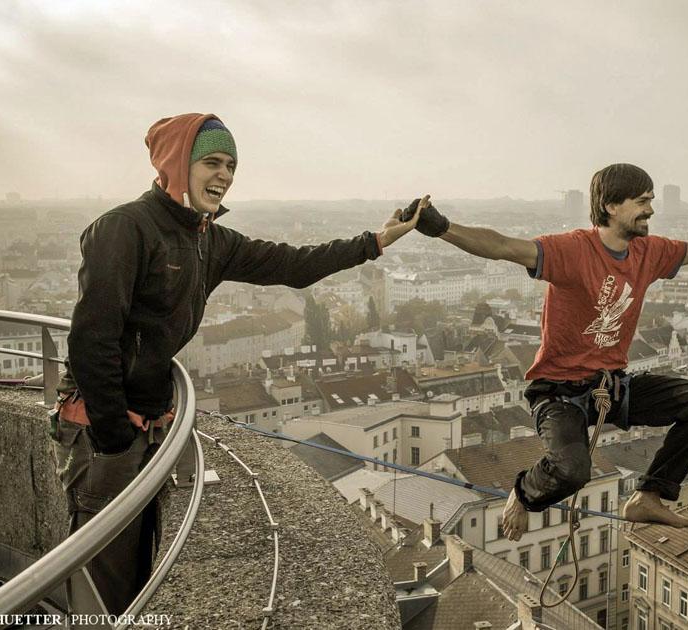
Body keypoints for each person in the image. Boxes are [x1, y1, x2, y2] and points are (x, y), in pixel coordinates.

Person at [51, 113, 425, 613]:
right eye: (211, 162)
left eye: (231, 164)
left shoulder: (208, 238)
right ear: (176, 163)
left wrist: (375, 242)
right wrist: (116, 435)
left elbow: (293, 265)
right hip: (105, 430)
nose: (224, 175)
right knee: (103, 581)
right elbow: (91, 339)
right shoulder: (124, 229)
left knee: (139, 572)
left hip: (149, 426)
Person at [400, 163, 688, 540]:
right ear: (611, 206)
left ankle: (648, 496)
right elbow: (502, 246)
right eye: (642, 201)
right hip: (559, 394)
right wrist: (441, 228)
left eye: (651, 200)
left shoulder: (650, 252)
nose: (650, 209)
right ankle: (523, 492)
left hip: (612, 386)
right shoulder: (572, 250)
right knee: (571, 472)